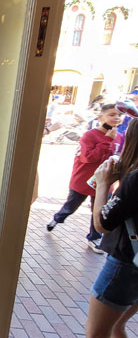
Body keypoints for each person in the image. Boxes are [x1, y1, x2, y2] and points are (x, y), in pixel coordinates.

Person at [72, 117, 138, 338]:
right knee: (119, 325)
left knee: (96, 335)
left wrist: (101, 186)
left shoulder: (135, 180)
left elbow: (101, 224)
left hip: (124, 266)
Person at [46, 104, 122, 252]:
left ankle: (94, 237)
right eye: (111, 114)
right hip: (82, 181)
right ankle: (57, 218)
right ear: (101, 117)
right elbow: (88, 157)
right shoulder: (90, 135)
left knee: (98, 211)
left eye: (118, 114)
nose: (116, 117)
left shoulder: (119, 137)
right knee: (71, 205)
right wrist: (106, 140)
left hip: (103, 183)